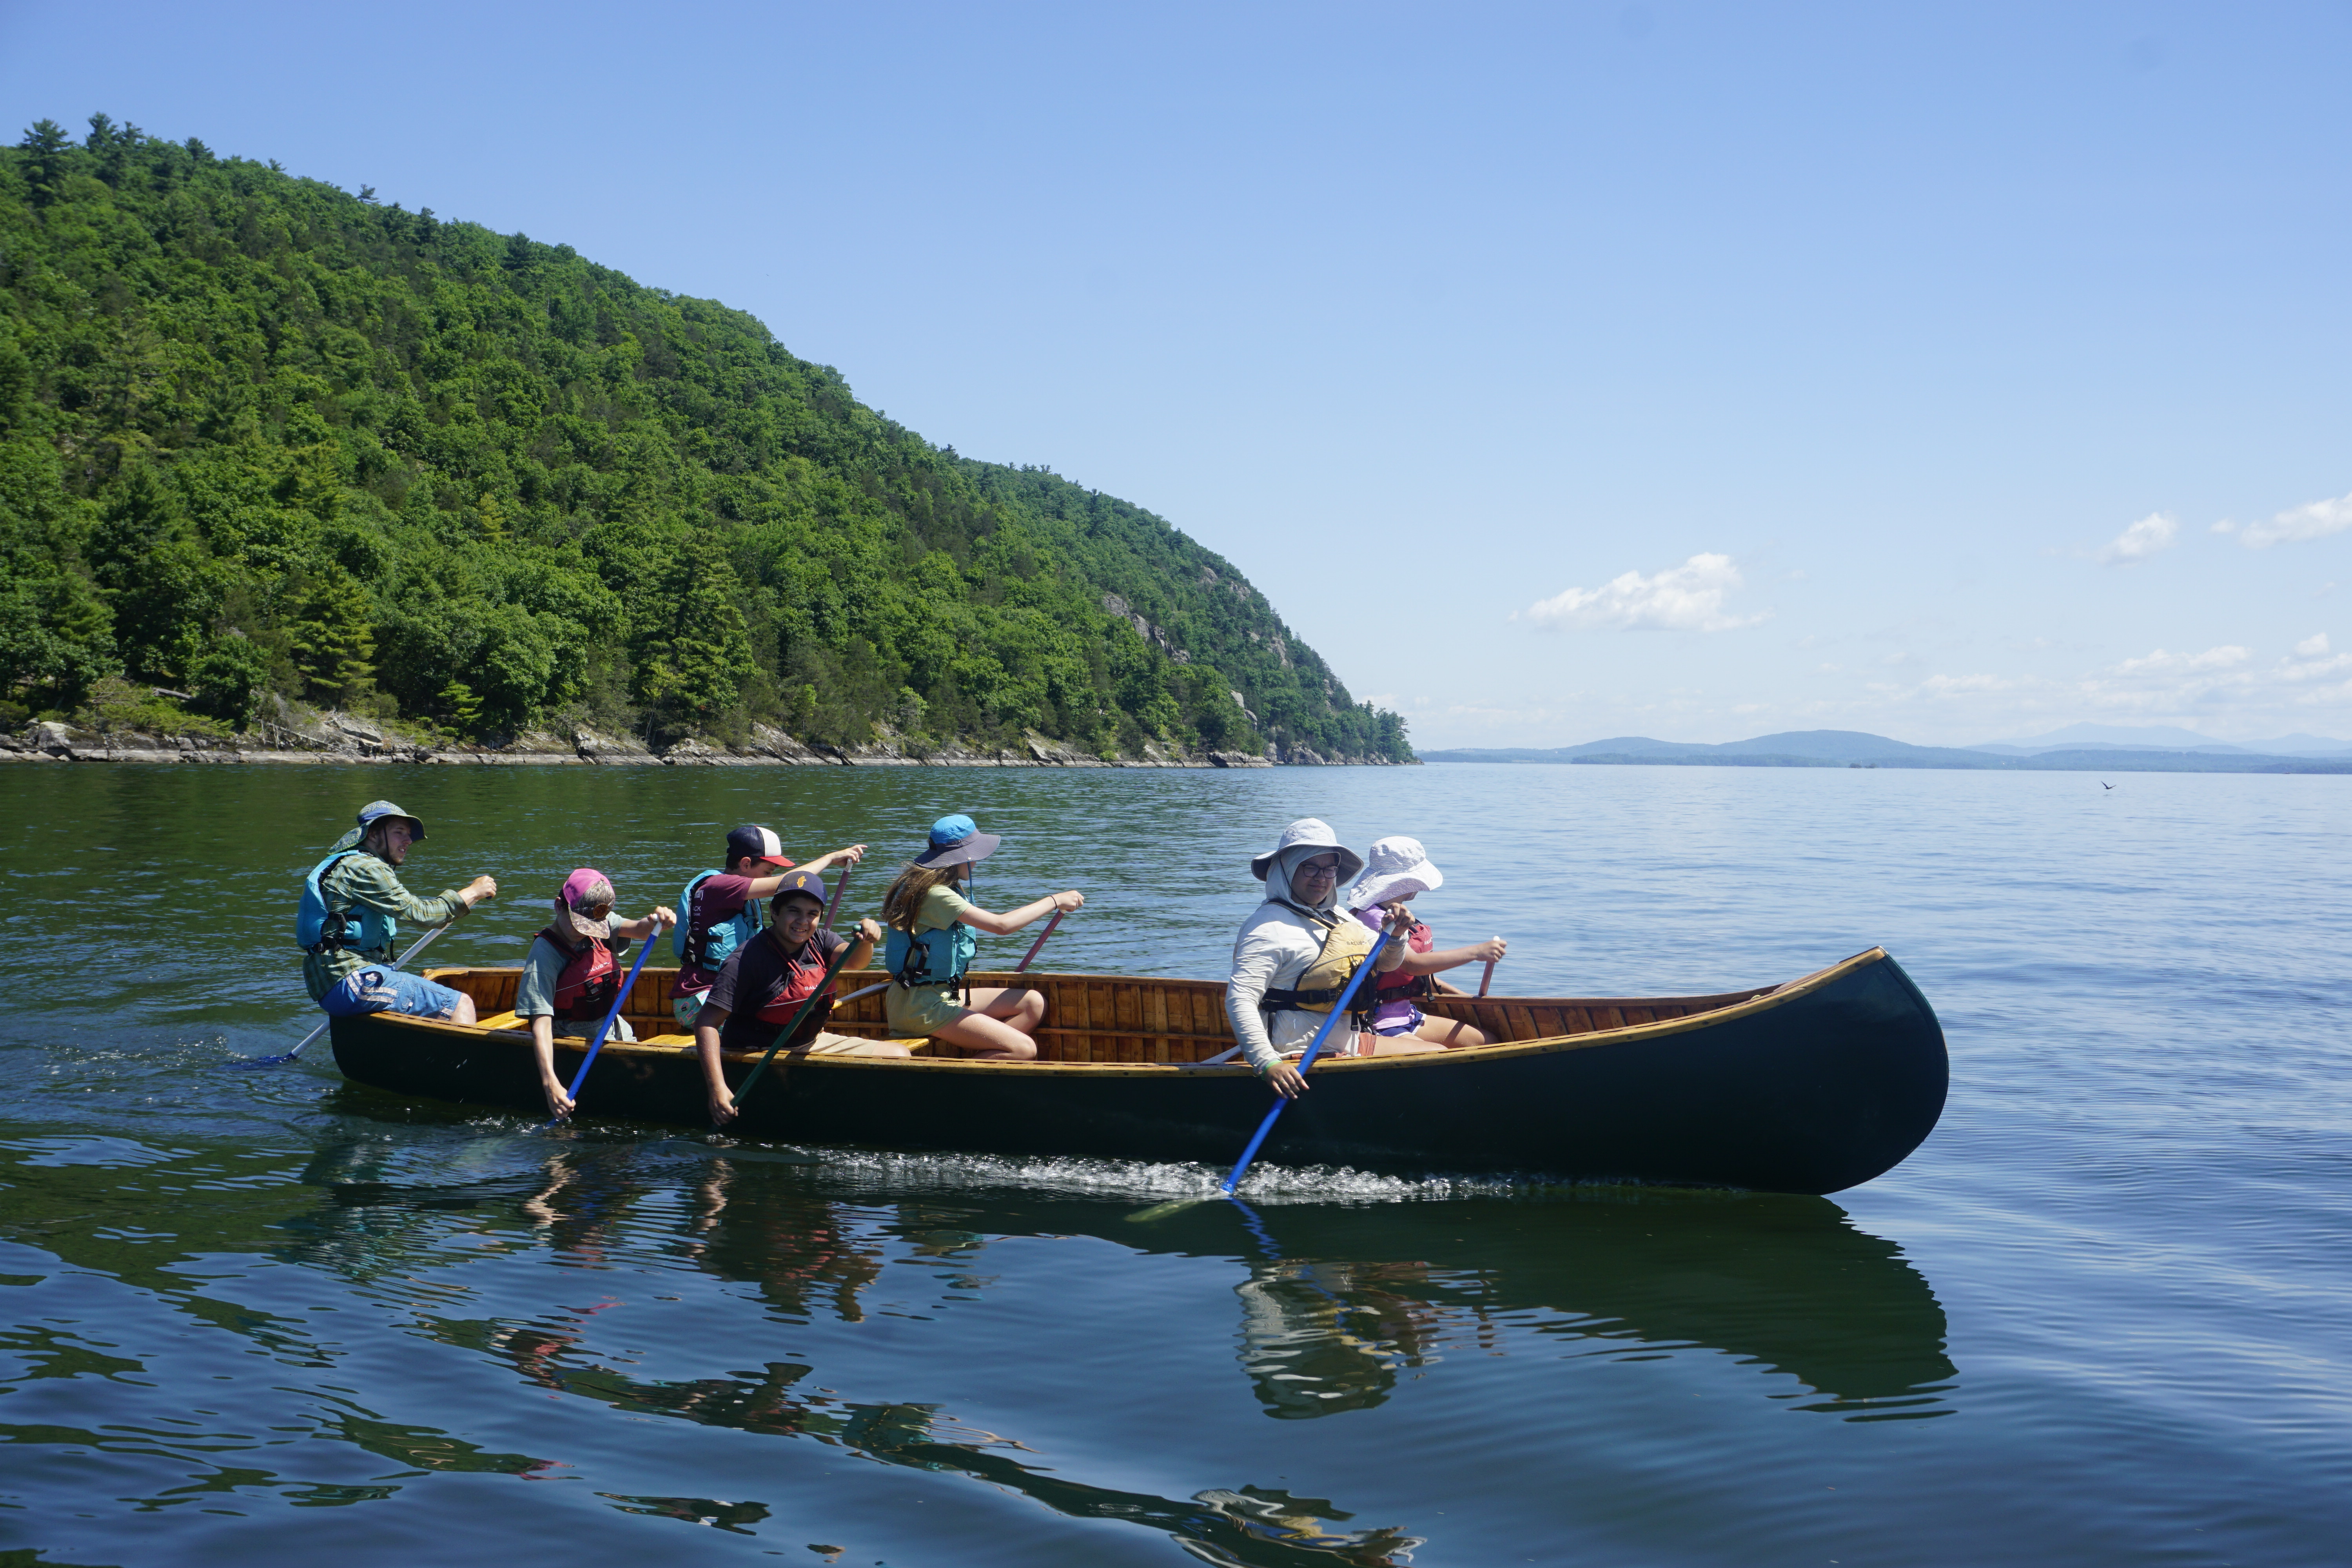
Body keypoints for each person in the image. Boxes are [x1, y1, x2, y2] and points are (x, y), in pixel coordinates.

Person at [1225, 818, 1418, 1100]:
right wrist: (1267, 1063)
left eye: (1329, 869)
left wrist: (1398, 934)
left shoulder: (1337, 917)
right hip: (1299, 1053)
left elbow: (1386, 964)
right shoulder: (1267, 928)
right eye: (1310, 867)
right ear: (1288, 869)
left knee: (1442, 1056)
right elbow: (1240, 999)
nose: (1322, 878)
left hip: (1346, 1041)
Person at [701, 869, 908, 1126]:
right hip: (756, 1053)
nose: (803, 921)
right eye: (794, 911)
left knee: (899, 1055)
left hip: (809, 1042)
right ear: (775, 913)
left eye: (812, 914)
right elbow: (707, 1023)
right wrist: (717, 1089)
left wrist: (865, 941)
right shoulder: (745, 960)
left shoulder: (822, 941)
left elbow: (855, 961)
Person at [877, 813, 1082, 1060]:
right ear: (960, 857)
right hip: (922, 1006)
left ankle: (985, 1055)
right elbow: (1002, 926)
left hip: (940, 994)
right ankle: (964, 1082)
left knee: (1032, 1003)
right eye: (973, 856)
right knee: (1024, 1049)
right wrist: (1055, 900)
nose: (976, 863)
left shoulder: (932, 885)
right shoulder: (936, 895)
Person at [299, 799, 497, 1024]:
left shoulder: (348, 862)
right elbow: (423, 914)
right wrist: (473, 892)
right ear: (373, 835)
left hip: (332, 983)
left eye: (409, 834)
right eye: (399, 832)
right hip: (350, 982)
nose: (409, 840)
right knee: (460, 1004)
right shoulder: (367, 868)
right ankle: (464, 1059)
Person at [671, 824, 869, 1028]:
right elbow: (789, 883)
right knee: (766, 1026)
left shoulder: (740, 894)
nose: (769, 879)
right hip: (700, 1001)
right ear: (746, 864)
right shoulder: (719, 886)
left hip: (731, 995)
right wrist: (829, 858)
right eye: (768, 872)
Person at [515, 868, 677, 1118]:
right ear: (559, 906)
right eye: (580, 925)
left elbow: (639, 929)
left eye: (594, 926)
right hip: (572, 1039)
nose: (587, 931)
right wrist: (550, 1083)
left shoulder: (598, 919)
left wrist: (656, 921)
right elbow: (541, 1022)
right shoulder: (544, 955)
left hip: (613, 1028)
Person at [1343, 836, 1505, 1050]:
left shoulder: (1397, 914)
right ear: (1405, 883)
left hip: (1408, 1015)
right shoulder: (1375, 919)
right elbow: (1413, 964)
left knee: (1488, 1042)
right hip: (1378, 1022)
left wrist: (1465, 998)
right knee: (1440, 1054)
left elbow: (1419, 975)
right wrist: (1477, 952)